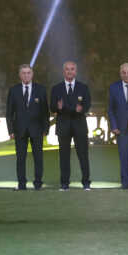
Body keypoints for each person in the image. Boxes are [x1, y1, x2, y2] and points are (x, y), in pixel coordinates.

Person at [6, 64, 49, 190]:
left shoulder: (40, 89)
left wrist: (45, 129)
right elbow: (9, 113)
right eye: (23, 73)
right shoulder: (13, 90)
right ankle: (21, 184)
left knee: (38, 158)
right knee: (20, 159)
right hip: (19, 130)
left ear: (32, 74)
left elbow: (45, 112)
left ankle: (38, 183)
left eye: (28, 72)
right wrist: (11, 130)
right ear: (20, 75)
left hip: (37, 129)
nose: (26, 75)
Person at [50, 61, 91, 190]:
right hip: (63, 126)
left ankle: (86, 183)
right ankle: (64, 183)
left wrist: (82, 109)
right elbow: (51, 107)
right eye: (67, 69)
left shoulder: (83, 87)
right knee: (64, 156)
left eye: (72, 69)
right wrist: (57, 107)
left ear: (76, 71)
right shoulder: (56, 88)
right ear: (64, 72)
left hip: (79, 126)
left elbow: (87, 105)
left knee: (83, 155)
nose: (69, 71)